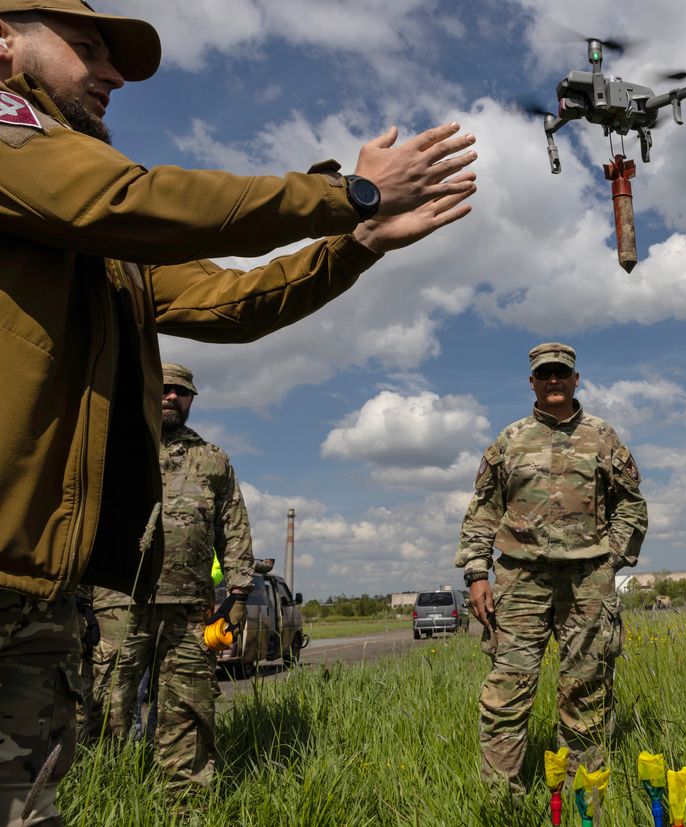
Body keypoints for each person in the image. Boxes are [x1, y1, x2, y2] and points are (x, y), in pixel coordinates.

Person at [0, 1, 476, 821]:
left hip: (37, 588)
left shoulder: (89, 233)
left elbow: (229, 299)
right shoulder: (16, 146)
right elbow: (136, 200)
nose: (110, 74)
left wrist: (352, 243)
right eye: (87, 49)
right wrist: (345, 192)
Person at [456, 343, 648, 792]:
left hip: (587, 582)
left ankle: (582, 801)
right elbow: (483, 510)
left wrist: (609, 560)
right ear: (533, 383)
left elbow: (632, 507)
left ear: (576, 379)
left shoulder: (602, 437)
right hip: (520, 580)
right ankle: (500, 800)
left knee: (586, 688)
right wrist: (477, 573)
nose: (554, 380)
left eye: (562, 373)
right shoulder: (510, 439)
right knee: (507, 690)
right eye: (545, 374)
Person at [94, 363, 254, 788]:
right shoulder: (115, 448)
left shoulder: (212, 459)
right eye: (162, 389)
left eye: (180, 392)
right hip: (118, 601)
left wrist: (238, 595)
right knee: (106, 703)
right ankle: (97, 793)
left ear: (191, 400)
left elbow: (233, 526)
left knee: (188, 705)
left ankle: (186, 804)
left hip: (188, 609)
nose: (170, 397)